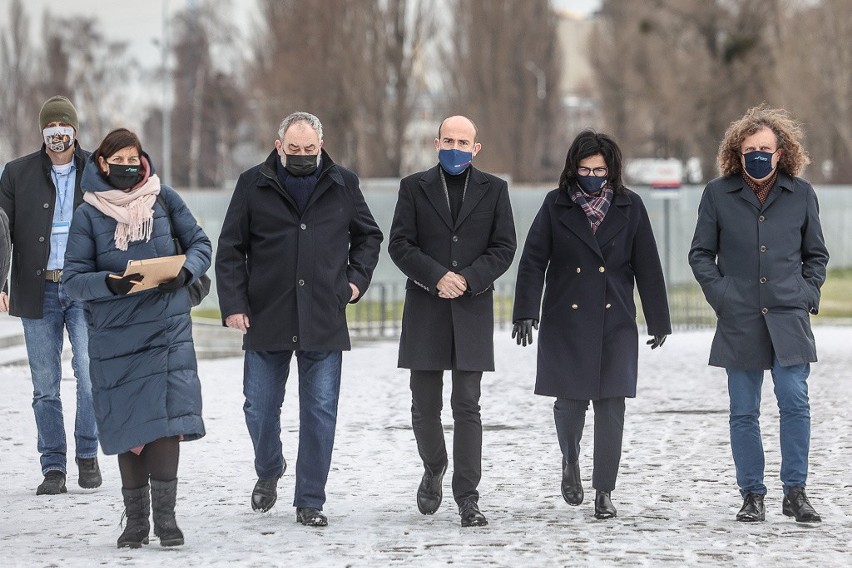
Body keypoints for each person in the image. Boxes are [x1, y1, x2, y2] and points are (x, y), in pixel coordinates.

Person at [216, 111, 382, 527]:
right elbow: (232, 248)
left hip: (324, 314)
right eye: (294, 149)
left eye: (310, 149)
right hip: (266, 315)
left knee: (320, 412)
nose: (303, 155)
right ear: (278, 146)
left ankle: (310, 500)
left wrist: (354, 283)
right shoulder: (252, 184)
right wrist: (234, 303)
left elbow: (368, 236)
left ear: (321, 146)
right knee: (259, 407)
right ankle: (270, 469)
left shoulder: (344, 183)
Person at [62, 128, 210, 547]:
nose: (129, 164)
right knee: (128, 424)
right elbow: (72, 281)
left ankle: (166, 521)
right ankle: (135, 523)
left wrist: (183, 272)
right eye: (120, 158)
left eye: (134, 156)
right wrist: (107, 283)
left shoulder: (164, 198)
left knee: (164, 423)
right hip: (116, 337)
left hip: (166, 330)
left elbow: (200, 244)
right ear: (103, 164)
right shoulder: (88, 214)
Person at [512, 130, 671, 519]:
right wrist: (525, 311)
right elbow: (534, 260)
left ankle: (604, 491)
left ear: (612, 170)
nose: (592, 176)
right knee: (569, 402)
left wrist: (658, 319)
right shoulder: (555, 205)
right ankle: (570, 459)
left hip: (614, 317)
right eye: (585, 169)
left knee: (611, 405)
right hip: (565, 318)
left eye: (600, 170)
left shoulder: (630, 207)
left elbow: (647, 265)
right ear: (573, 169)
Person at [688, 106, 829, 523]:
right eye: (750, 149)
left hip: (789, 315)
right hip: (741, 316)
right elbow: (700, 254)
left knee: (795, 401)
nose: (758, 155)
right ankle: (752, 494)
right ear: (738, 151)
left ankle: (796, 492)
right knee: (744, 410)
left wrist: (806, 293)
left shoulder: (802, 194)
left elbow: (816, 255)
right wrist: (723, 294)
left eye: (766, 149)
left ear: (781, 152)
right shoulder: (717, 194)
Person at [388, 115, 516, 527]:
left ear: (476, 148)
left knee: (467, 405)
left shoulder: (495, 190)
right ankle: (434, 465)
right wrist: (435, 276)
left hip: (471, 308)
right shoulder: (413, 187)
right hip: (425, 307)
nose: (456, 147)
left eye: (464, 141)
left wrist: (468, 279)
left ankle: (468, 497)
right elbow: (400, 244)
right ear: (436, 142)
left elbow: (504, 246)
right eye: (449, 140)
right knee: (424, 406)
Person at [0, 95, 101, 495]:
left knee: (91, 373)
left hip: (84, 287)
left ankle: (88, 454)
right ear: (42, 132)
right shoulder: (16, 173)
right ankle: (54, 466)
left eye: (64, 128)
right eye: (51, 129)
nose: (58, 135)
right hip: (36, 287)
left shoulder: (97, 169)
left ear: (74, 131)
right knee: (45, 384)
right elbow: (0, 232)